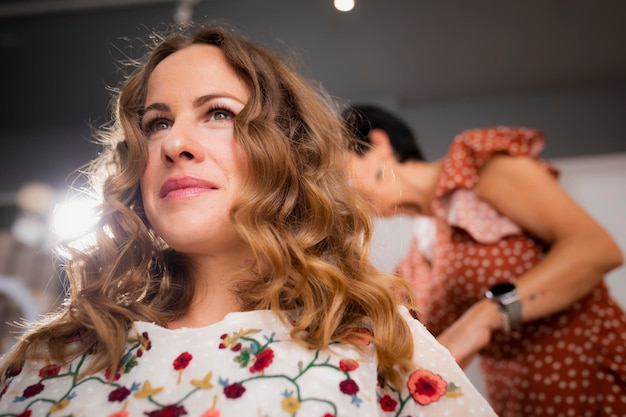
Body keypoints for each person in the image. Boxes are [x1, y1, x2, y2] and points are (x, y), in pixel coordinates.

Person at [0, 24, 496, 417]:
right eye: (157, 123)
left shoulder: (375, 340)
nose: (174, 144)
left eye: (218, 113)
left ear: (286, 152)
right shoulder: (49, 357)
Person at [343, 104, 626, 416]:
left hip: (594, 379)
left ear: (378, 146)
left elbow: (596, 248)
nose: (331, 187)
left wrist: (486, 315)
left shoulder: (476, 168)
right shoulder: (414, 262)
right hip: (521, 402)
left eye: (332, 169)